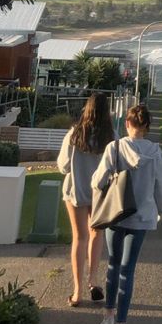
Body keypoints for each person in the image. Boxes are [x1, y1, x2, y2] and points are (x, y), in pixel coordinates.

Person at [91, 102, 162, 324]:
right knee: (128, 269)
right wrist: (160, 208)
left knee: (113, 266)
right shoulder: (156, 153)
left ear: (127, 123)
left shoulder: (114, 148)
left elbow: (98, 180)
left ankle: (108, 317)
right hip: (142, 216)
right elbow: (161, 187)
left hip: (116, 214)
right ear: (147, 126)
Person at [57, 91, 115, 306]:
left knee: (79, 238)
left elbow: (63, 166)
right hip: (100, 193)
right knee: (96, 235)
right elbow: (115, 166)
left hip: (75, 190)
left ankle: (77, 291)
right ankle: (94, 280)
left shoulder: (74, 133)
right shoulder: (111, 135)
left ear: (87, 109)